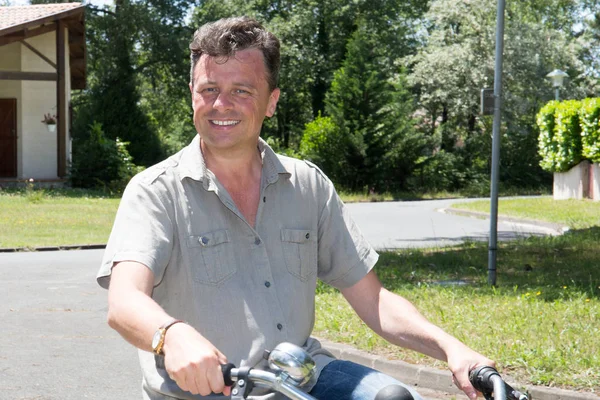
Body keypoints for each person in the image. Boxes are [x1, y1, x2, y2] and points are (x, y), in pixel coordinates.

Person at [97, 16, 494, 400]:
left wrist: (452, 348)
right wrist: (171, 334)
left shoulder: (308, 185)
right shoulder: (154, 192)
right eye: (209, 89)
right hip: (209, 391)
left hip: (304, 378)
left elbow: (374, 300)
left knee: (396, 396)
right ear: (192, 95)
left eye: (242, 91)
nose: (221, 104)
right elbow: (124, 302)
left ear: (271, 102)